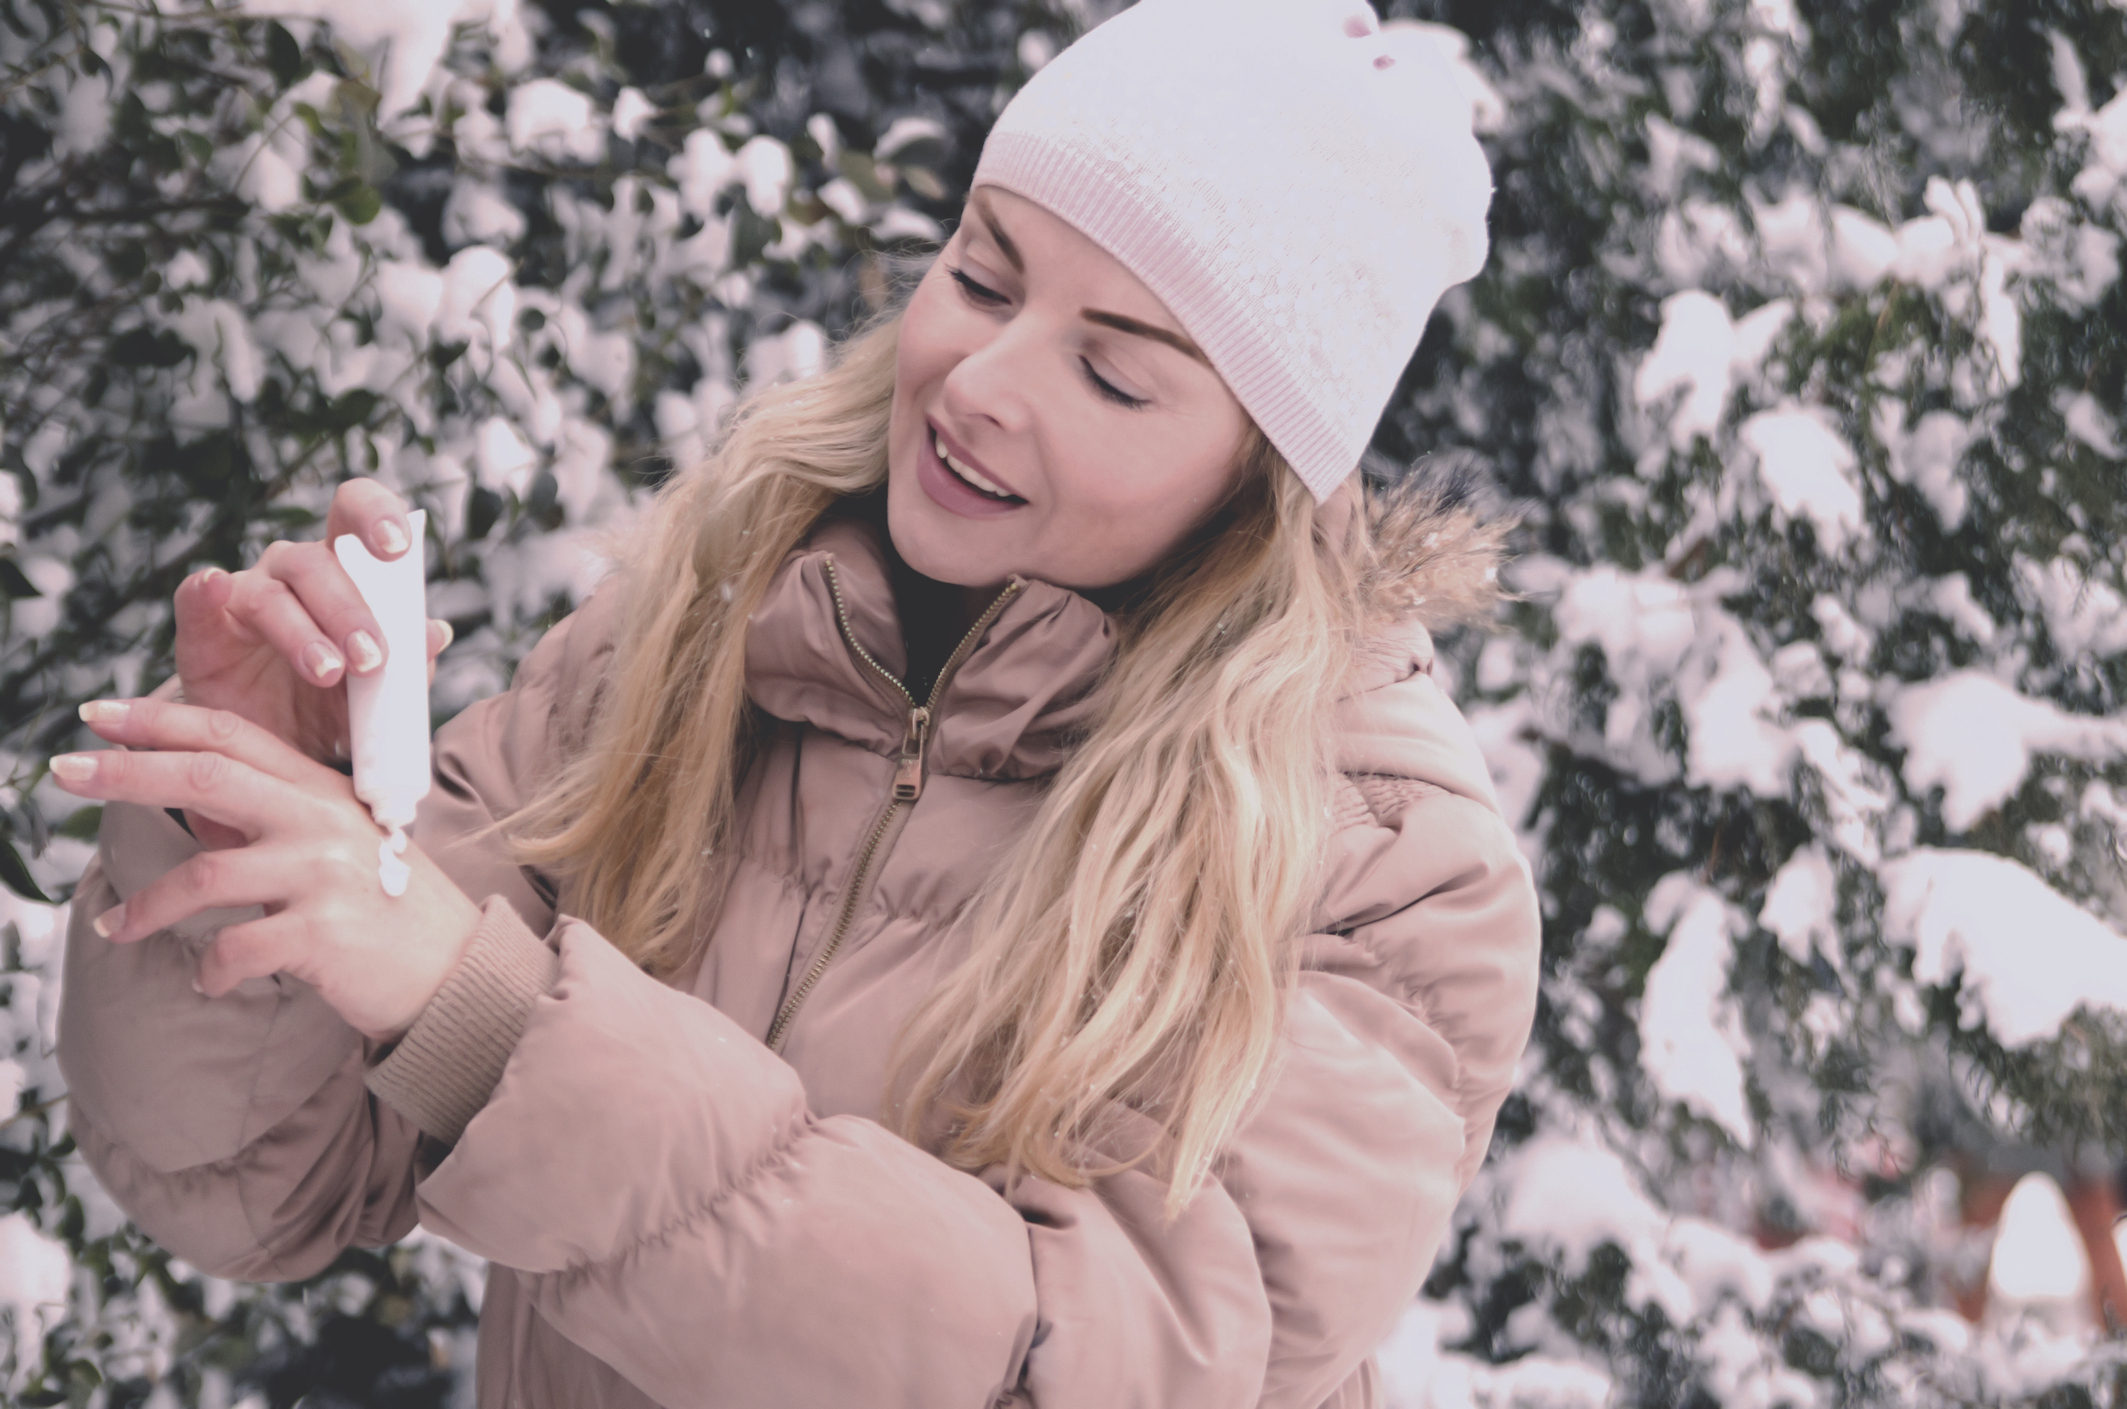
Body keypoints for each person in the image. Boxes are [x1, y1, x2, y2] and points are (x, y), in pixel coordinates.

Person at [52, 1, 1540, 1404]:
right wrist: (261, 826)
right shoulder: (711, 630)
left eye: (1110, 373)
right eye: (982, 274)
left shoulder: (1383, 870)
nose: (978, 381)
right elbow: (263, 1179)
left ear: (1262, 475)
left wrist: (501, 1028)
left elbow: (1066, 1367)